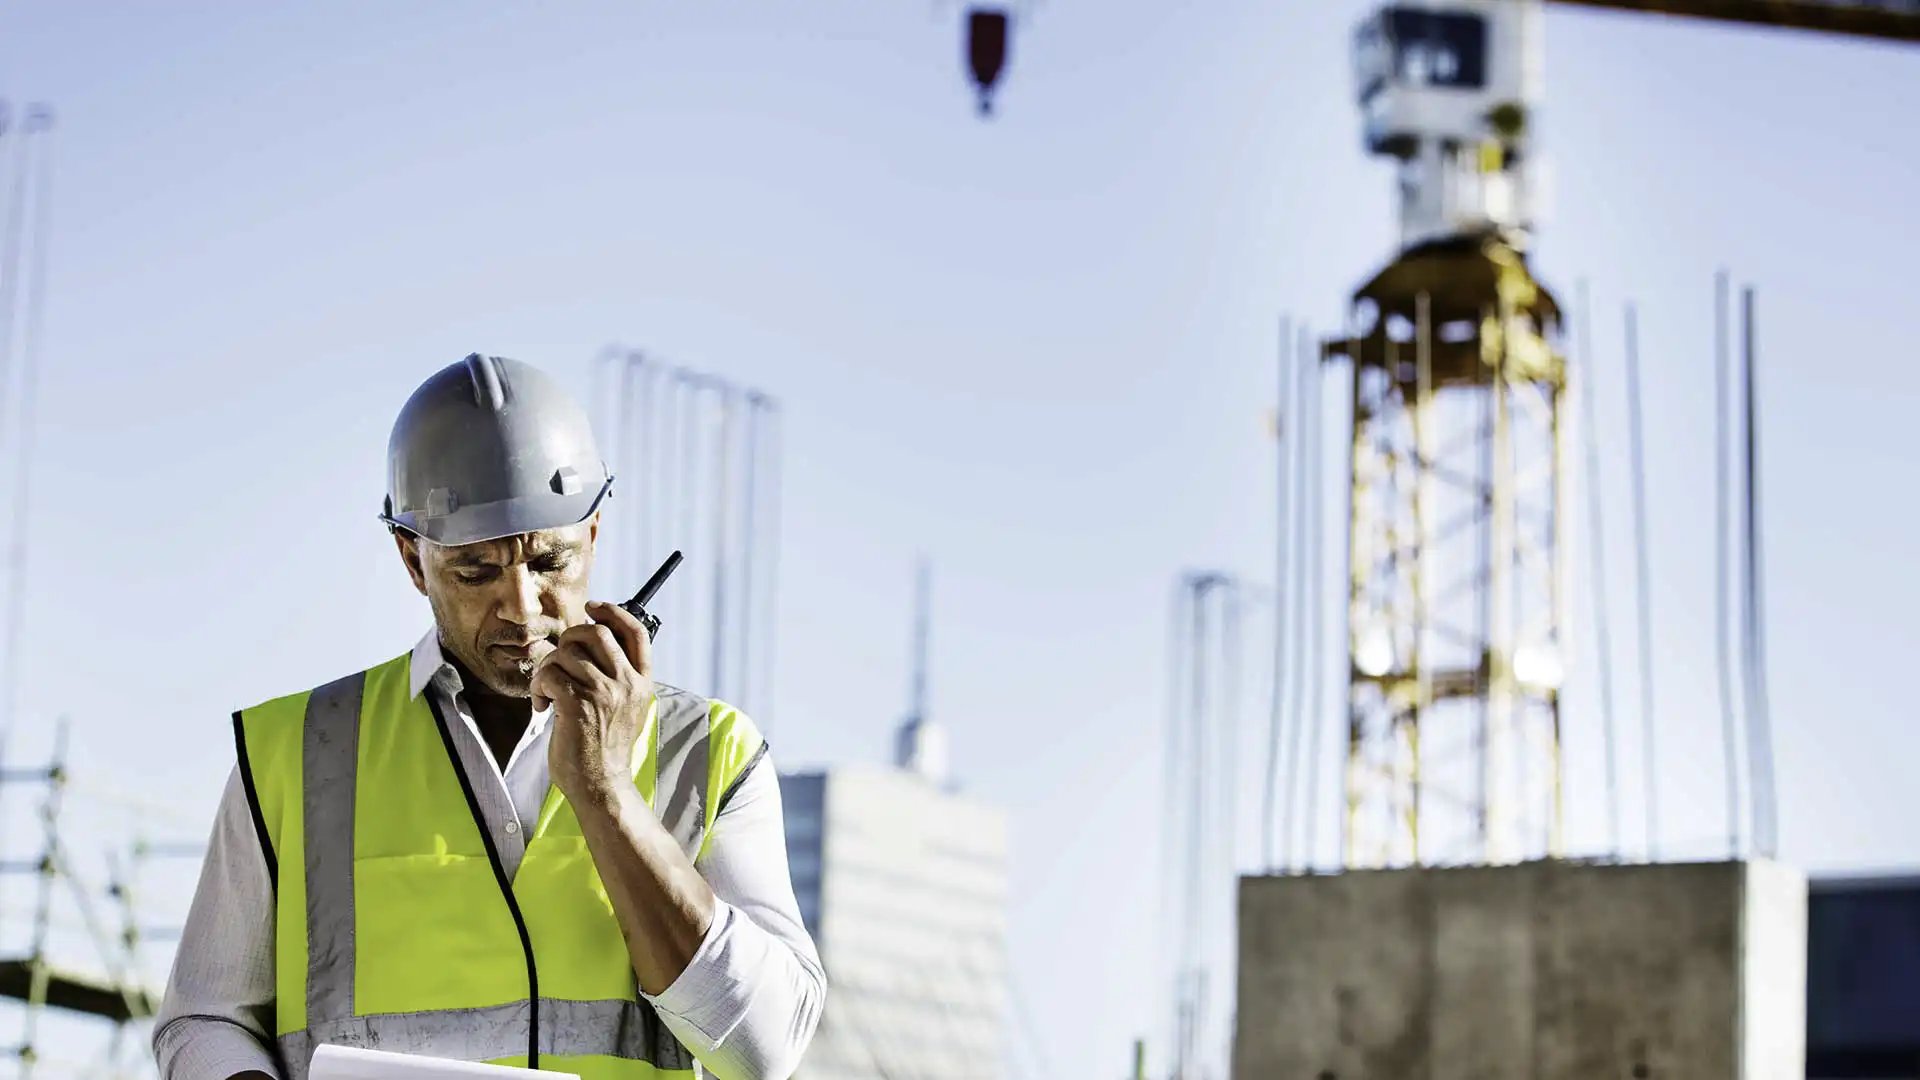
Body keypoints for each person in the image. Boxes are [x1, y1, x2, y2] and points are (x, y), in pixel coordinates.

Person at [154, 354, 824, 1080]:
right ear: (413, 560)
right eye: (475, 571)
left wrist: (606, 792)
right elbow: (203, 1018)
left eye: (550, 563)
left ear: (593, 536)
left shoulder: (711, 755)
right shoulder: (296, 752)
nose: (522, 607)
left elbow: (764, 1049)